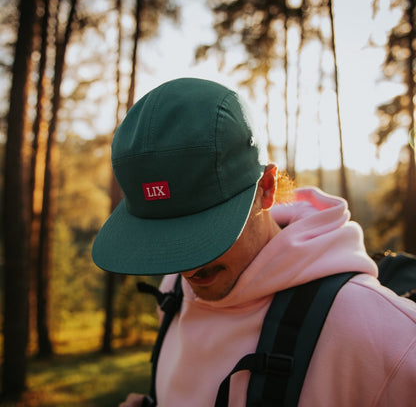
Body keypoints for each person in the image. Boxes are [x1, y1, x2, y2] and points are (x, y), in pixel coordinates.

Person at [92, 78, 416, 407]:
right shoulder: (173, 289)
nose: (187, 267)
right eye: (166, 235)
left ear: (266, 188)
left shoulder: (384, 335)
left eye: (204, 230)